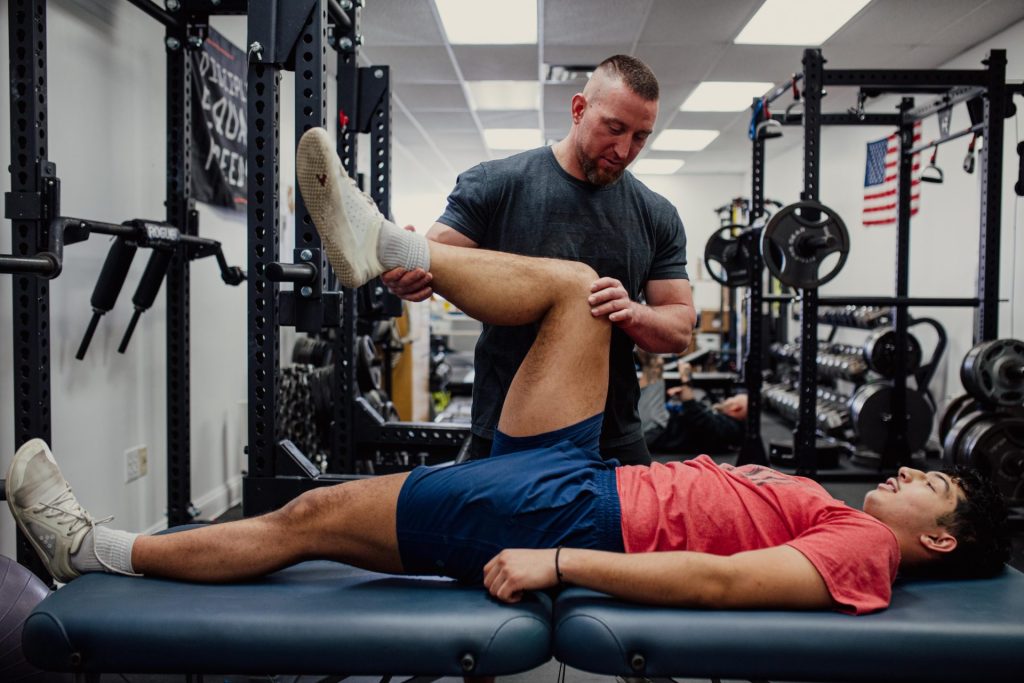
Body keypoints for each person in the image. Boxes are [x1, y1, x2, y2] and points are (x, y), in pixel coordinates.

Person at [6, 128, 1009, 616]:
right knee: (578, 289)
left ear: (939, 532)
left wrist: (559, 564)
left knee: (310, 518)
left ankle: (90, 547)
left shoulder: (862, 555)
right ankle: (386, 239)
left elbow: (718, 577)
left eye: (928, 481)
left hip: (564, 520)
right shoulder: (850, 522)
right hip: (588, 477)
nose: (906, 468)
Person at [381, 55, 696, 465]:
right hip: (503, 429)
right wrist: (406, 272)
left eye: (640, 137)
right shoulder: (496, 184)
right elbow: (433, 261)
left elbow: (679, 329)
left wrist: (631, 312)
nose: (623, 150)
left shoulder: (656, 214)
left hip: (611, 434)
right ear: (579, 109)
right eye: (614, 128)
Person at [637, 354, 746, 454]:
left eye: (733, 399)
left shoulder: (731, 429)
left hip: (658, 430)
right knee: (650, 369)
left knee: (655, 364)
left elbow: (698, 417)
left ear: (736, 408)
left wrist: (686, 380)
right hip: (661, 423)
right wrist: (683, 394)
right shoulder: (725, 423)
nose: (728, 399)